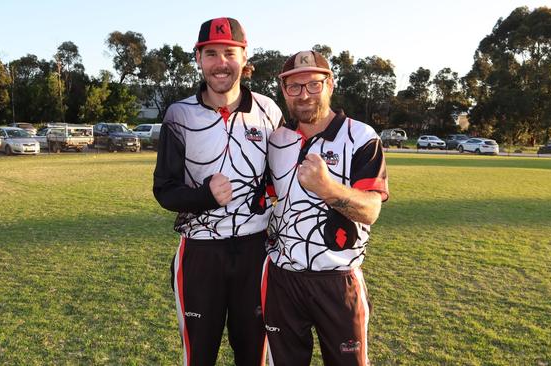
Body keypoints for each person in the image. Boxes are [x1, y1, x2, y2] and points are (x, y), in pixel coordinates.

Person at [153, 17, 283, 366]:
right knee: (199, 356)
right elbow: (164, 191)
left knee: (254, 355)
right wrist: (204, 196)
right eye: (211, 54)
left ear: (244, 57)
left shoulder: (268, 110)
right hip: (200, 254)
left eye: (229, 52)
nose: (220, 63)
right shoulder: (178, 115)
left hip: (255, 251)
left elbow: (282, 177)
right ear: (198, 59)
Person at [262, 50, 389, 365]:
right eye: (294, 87)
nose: (304, 95)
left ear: (330, 84)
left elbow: (371, 209)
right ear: (284, 91)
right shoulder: (276, 140)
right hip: (283, 279)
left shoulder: (361, 137)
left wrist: (326, 187)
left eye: (313, 85)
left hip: (338, 279)